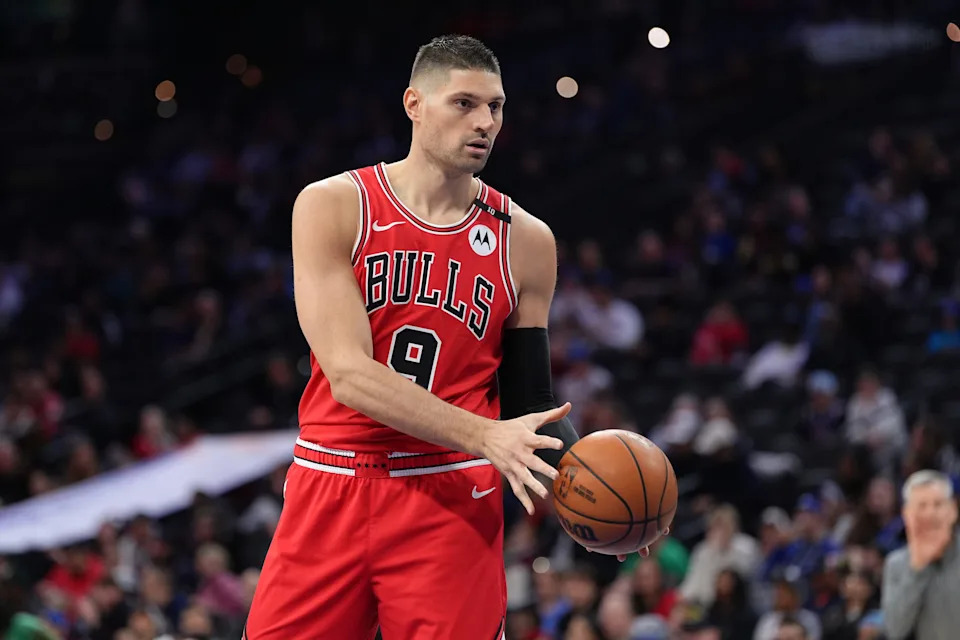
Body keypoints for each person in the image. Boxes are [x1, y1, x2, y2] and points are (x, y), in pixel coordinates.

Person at [244, 35, 654, 640]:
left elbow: (530, 401)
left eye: (496, 106)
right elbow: (349, 374)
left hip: (451, 494)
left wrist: (602, 493)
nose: (485, 121)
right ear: (414, 104)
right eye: (465, 103)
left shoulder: (527, 240)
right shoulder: (334, 206)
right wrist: (485, 435)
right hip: (333, 478)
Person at [881, 470, 960, 640]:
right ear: (907, 515)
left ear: (953, 510)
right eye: (921, 506)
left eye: (938, 504)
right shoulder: (896, 564)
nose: (930, 514)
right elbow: (895, 630)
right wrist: (917, 569)